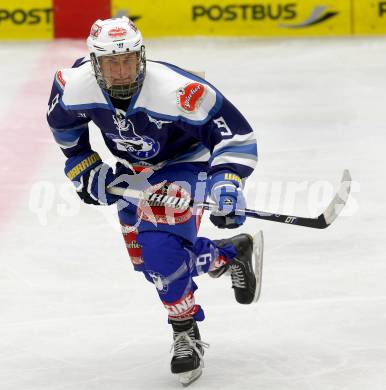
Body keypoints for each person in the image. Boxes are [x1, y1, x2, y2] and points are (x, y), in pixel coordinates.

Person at [47, 16, 259, 385]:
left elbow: (234, 137)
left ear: (141, 56)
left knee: (160, 254)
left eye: (128, 59)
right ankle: (227, 254)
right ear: (95, 63)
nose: (121, 70)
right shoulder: (73, 85)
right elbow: (64, 126)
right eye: (111, 62)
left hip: (184, 164)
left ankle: (184, 331)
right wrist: (85, 166)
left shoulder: (180, 90)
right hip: (134, 170)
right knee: (150, 265)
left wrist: (226, 182)